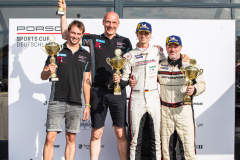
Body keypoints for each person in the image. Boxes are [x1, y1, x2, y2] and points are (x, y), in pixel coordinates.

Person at [58, 1, 132, 160]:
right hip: (97, 91)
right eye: (108, 22)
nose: (110, 25)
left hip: (118, 92)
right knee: (96, 133)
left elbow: (133, 63)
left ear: (118, 24)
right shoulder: (93, 39)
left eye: (114, 22)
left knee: (120, 133)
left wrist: (159, 53)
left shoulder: (125, 42)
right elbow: (67, 35)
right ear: (103, 23)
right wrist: (63, 14)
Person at [113, 22, 165, 160]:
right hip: (136, 98)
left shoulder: (158, 51)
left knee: (156, 139)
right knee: (135, 138)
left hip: (154, 97)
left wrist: (184, 58)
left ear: (150, 35)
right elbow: (124, 79)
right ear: (136, 34)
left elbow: (169, 65)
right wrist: (123, 81)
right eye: (141, 32)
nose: (143, 35)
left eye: (146, 33)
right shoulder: (129, 55)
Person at [41, 20, 91, 160]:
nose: (75, 36)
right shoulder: (56, 50)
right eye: (73, 32)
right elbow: (43, 76)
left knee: (71, 139)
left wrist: (87, 105)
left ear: (82, 35)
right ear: (68, 32)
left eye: (78, 34)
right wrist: (48, 71)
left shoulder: (86, 55)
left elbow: (86, 83)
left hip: (75, 102)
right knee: (50, 138)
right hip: (57, 99)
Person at [158, 35, 206, 160]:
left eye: (176, 46)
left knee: (188, 150)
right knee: (167, 152)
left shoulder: (190, 64)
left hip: (183, 110)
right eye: (170, 46)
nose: (173, 49)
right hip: (165, 111)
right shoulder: (159, 65)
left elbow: (201, 83)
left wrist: (194, 89)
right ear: (166, 48)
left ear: (181, 48)